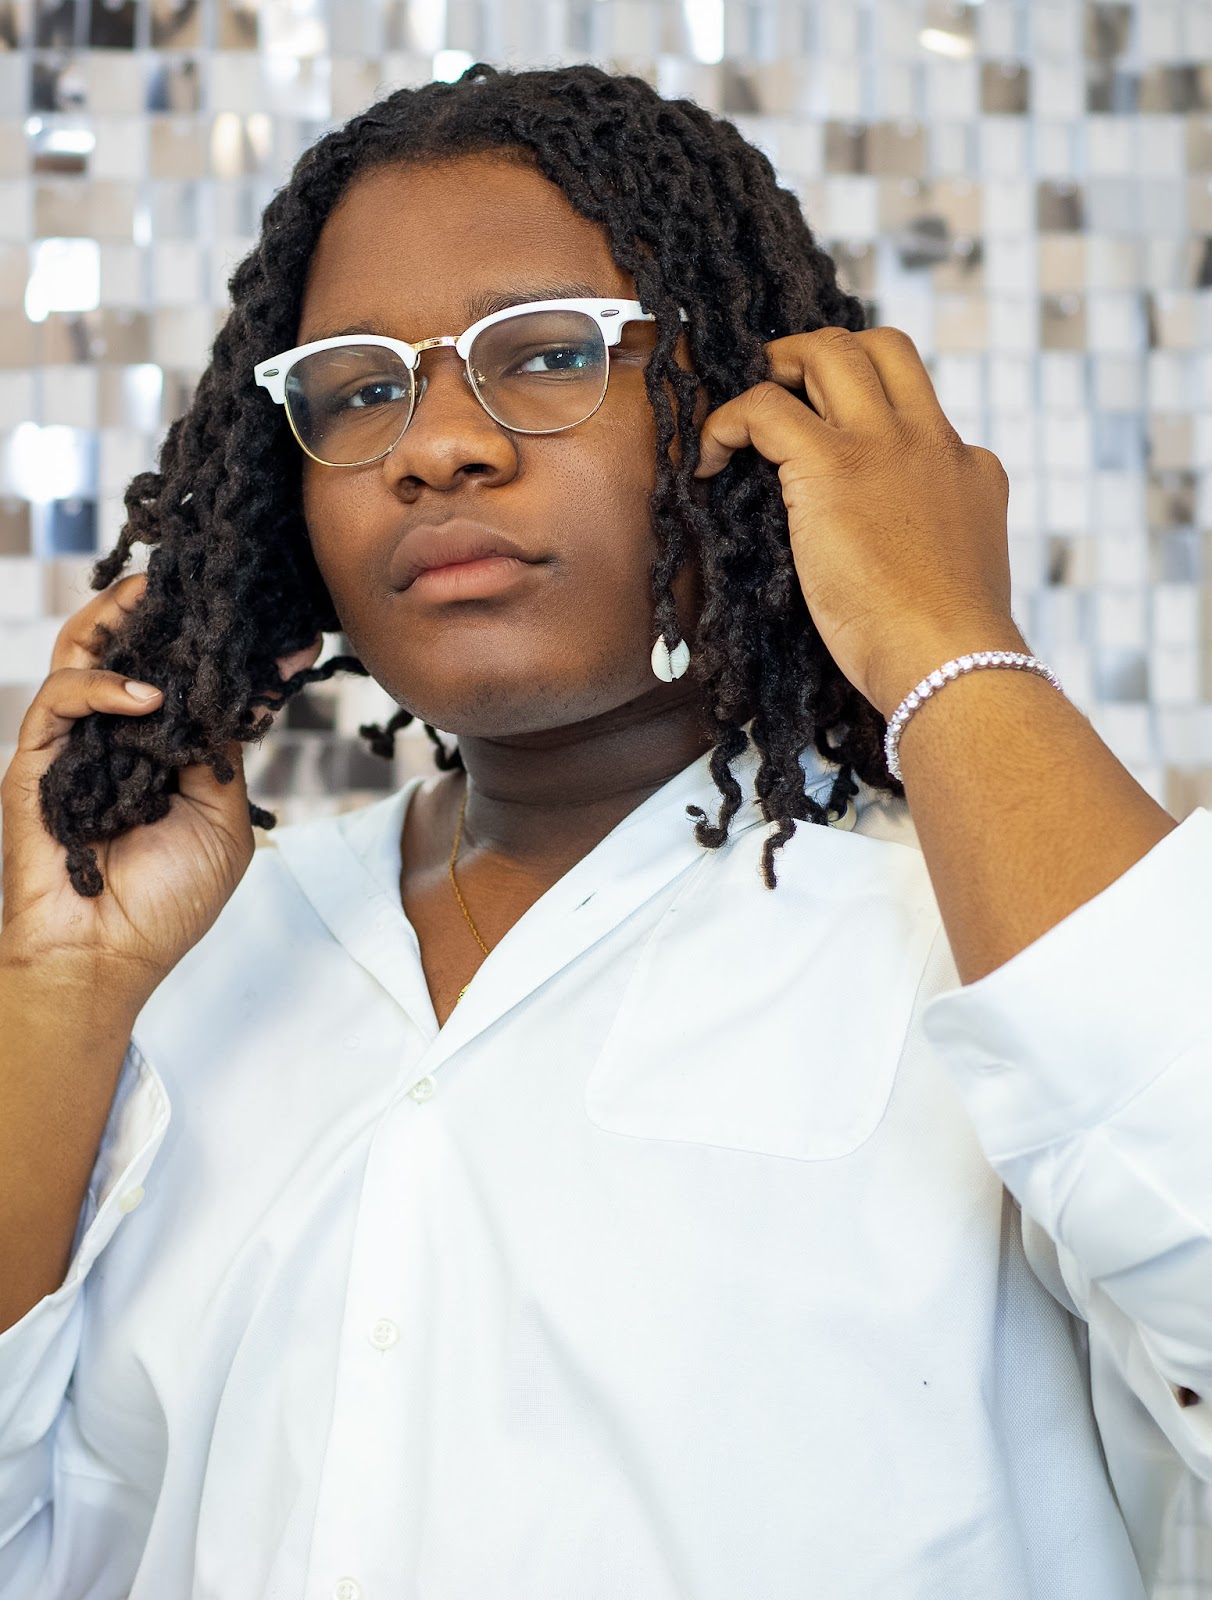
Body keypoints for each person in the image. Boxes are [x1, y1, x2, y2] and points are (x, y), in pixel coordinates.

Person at [0, 61, 1209, 1600]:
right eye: (361, 387)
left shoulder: (970, 938)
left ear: (753, 417)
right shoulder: (187, 965)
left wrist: (938, 639)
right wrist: (50, 996)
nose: (436, 444)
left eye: (551, 353)